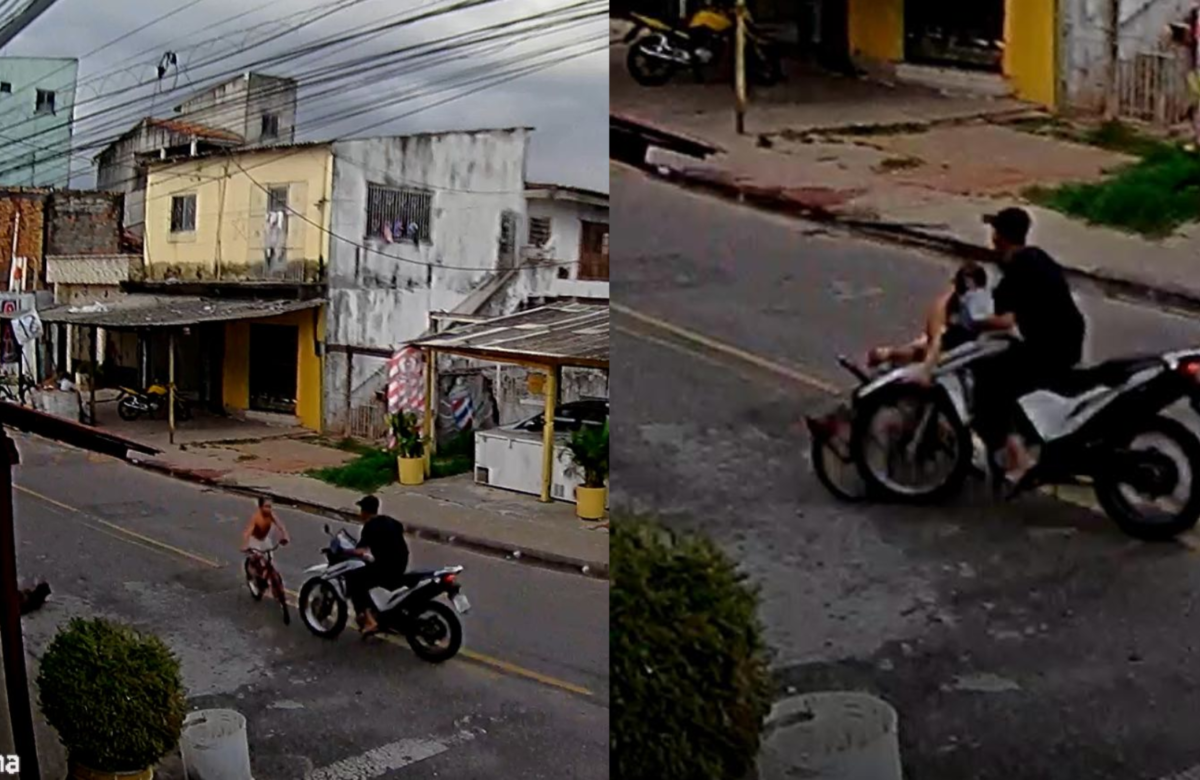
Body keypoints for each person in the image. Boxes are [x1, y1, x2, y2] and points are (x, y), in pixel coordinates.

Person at [972, 207, 1086, 488]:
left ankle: (1019, 458)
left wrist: (974, 322)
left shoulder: (1019, 266)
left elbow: (1005, 316)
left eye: (995, 232)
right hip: (1065, 342)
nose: (992, 238)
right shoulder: (1035, 258)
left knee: (991, 379)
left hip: (1051, 347)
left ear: (999, 237)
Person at [868, 261, 993, 377]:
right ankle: (888, 354)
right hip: (944, 339)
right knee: (927, 353)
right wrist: (926, 371)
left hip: (967, 341)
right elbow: (936, 343)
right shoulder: (943, 307)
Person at [345, 495, 410, 636]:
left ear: (364, 511)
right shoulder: (390, 521)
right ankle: (377, 612)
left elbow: (361, 550)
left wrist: (347, 552)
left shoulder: (370, 526)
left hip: (386, 568)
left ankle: (369, 620)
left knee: (355, 580)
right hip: (401, 564)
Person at [242, 497, 289, 578]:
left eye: (270, 507)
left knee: (270, 561)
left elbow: (280, 525)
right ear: (260, 507)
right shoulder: (256, 517)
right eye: (266, 507)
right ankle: (256, 575)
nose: (269, 509)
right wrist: (246, 544)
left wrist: (285, 536)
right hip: (255, 540)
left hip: (265, 539)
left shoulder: (271, 515)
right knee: (258, 559)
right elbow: (249, 531)